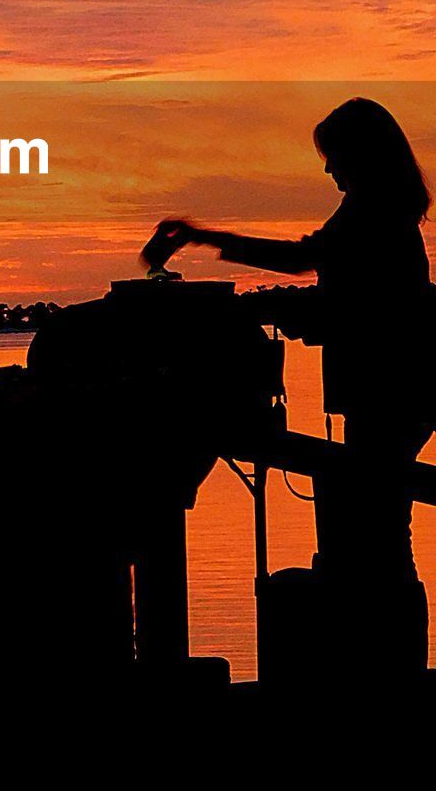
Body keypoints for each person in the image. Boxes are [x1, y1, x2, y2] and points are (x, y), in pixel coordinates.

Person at [148, 96, 434, 680]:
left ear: (359, 156)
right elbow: (337, 287)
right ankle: (388, 665)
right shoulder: (381, 211)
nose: (328, 171)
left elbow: (323, 277)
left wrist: (204, 239)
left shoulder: (371, 213)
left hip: (390, 392)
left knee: (373, 534)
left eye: (333, 158)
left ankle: (390, 669)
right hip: (398, 391)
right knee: (378, 533)